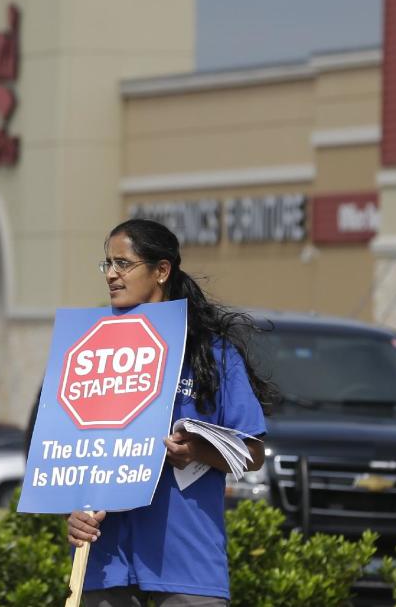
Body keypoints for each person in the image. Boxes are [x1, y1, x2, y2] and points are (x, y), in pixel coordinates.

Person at [66, 219, 276, 607]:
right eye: (106, 264)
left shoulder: (210, 354)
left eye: (123, 264)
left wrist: (196, 451)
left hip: (185, 562)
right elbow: (68, 455)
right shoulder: (90, 351)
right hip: (103, 560)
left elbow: (253, 454)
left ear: (161, 270)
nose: (111, 274)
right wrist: (71, 512)